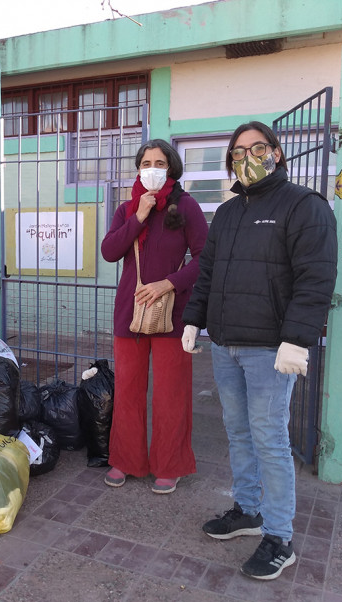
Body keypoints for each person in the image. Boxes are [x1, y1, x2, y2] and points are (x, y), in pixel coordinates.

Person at [182, 121, 337, 581]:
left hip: (270, 349)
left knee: (269, 439)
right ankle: (247, 510)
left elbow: (316, 277)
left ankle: (279, 537)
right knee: (238, 432)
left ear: (277, 152)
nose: (247, 156)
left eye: (257, 147)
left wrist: (297, 337)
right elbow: (206, 271)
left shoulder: (304, 206)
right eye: (238, 151)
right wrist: (194, 317)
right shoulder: (228, 213)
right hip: (225, 344)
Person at [100, 139, 208, 494]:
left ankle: (169, 464)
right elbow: (110, 251)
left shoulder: (187, 207)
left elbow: (206, 259)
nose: (152, 168)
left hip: (172, 316)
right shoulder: (127, 208)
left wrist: (169, 284)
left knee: (169, 393)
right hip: (128, 317)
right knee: (128, 390)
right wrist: (139, 216)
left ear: (171, 169)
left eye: (160, 163)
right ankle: (126, 460)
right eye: (146, 162)